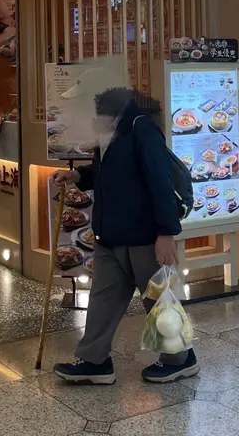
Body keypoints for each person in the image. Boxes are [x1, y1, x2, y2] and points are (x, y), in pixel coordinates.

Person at [52, 88, 200, 385]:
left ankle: (180, 359)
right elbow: (108, 170)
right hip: (109, 233)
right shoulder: (108, 132)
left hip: (143, 233)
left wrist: (166, 233)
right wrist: (79, 176)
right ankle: (94, 360)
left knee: (159, 298)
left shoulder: (142, 129)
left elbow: (160, 181)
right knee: (102, 300)